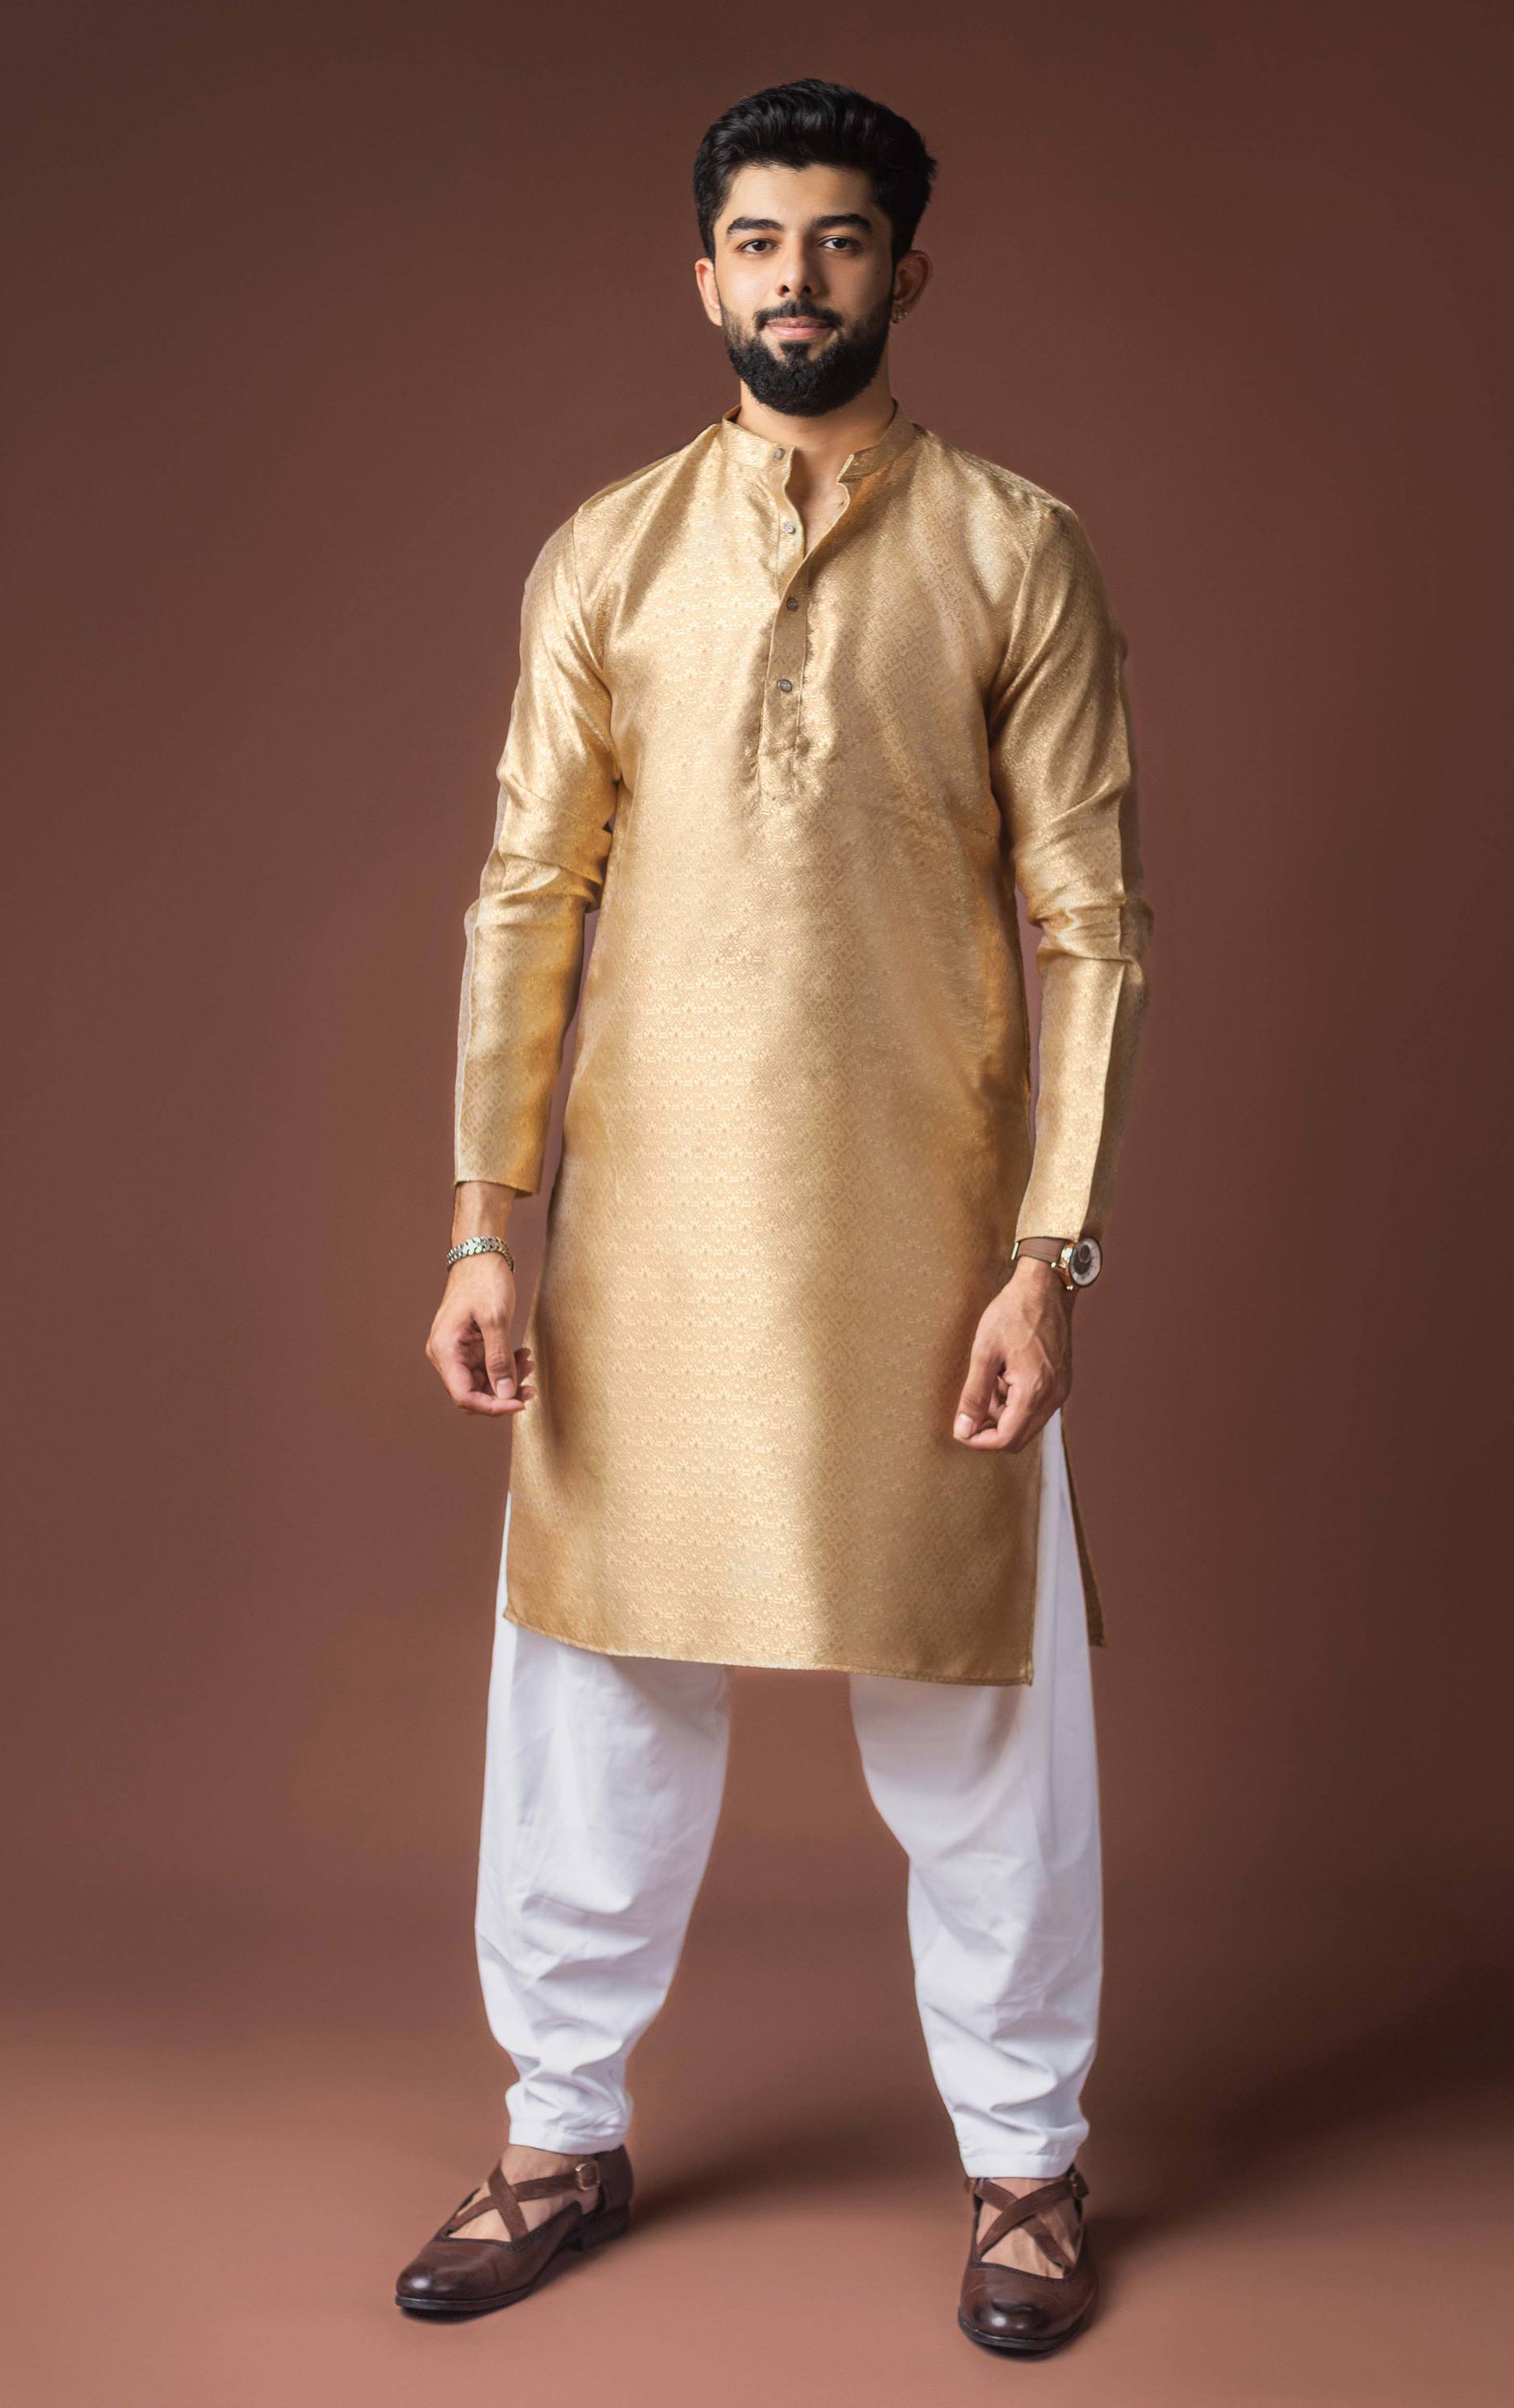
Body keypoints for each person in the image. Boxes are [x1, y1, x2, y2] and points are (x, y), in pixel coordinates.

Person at [397, 76, 1154, 2359]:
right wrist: (486, 1221)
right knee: (591, 1697)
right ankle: (558, 2134)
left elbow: (1091, 922)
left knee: (982, 1720)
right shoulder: (607, 554)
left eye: (837, 240)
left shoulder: (1015, 550)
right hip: (647, 1241)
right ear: (703, 272)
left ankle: (1026, 2164)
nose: (795, 280)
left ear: (908, 270)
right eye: (757, 240)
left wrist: (1050, 1251)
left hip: (932, 1247)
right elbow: (527, 894)